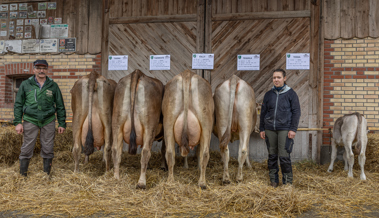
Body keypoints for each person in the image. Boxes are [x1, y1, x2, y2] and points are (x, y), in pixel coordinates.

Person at [14, 60, 66, 176]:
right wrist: (18, 122)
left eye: (44, 68)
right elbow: (18, 104)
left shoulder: (53, 85)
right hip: (30, 119)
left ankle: (46, 175)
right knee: (27, 147)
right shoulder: (26, 84)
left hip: (48, 120)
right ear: (34, 70)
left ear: (47, 70)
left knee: (48, 148)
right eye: (38, 68)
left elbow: (60, 105)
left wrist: (62, 123)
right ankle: (23, 175)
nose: (41, 70)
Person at [259, 69, 301, 187]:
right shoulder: (268, 95)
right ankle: (274, 181)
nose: (276, 80)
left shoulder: (291, 94)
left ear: (284, 78)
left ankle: (287, 182)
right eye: (274, 78)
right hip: (269, 129)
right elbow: (263, 113)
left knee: (284, 156)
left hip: (285, 129)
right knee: (272, 156)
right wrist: (262, 128)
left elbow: (296, 112)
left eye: (278, 77)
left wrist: (293, 129)